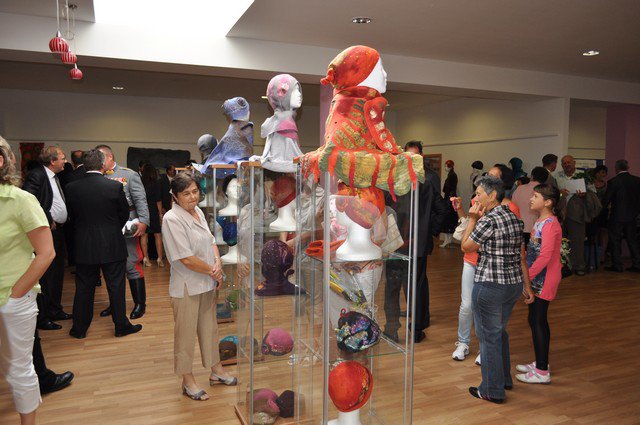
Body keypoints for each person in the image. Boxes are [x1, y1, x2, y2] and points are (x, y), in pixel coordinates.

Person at [162, 172, 237, 401]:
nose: (192, 197)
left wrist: (217, 263)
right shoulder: (172, 219)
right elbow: (186, 258)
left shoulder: (198, 213)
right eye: (186, 193)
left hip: (206, 282)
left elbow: (211, 241)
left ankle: (216, 370)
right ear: (175, 196)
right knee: (185, 335)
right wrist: (213, 271)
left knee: (209, 329)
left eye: (195, 191)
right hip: (186, 286)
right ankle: (188, 381)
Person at [460, 175, 533, 404]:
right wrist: (526, 285)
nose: (475, 198)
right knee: (499, 332)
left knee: (488, 337)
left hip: (490, 285)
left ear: (492, 196)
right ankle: (503, 380)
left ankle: (492, 389)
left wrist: (472, 219)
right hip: (512, 285)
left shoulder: (488, 220)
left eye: (478, 194)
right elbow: (520, 255)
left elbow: (465, 246)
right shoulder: (514, 218)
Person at [0, 136, 56, 425]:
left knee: (18, 370)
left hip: (12, 300)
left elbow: (46, 253)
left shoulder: (20, 200)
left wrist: (16, 294)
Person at [65, 149, 143, 339]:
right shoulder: (114, 187)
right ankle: (121, 326)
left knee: (84, 287)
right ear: (102, 165)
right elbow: (123, 214)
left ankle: (79, 329)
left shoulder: (71, 187)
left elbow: (71, 217)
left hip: (84, 244)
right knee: (116, 286)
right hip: (111, 243)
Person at [450, 168, 522, 363]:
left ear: (496, 189)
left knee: (490, 313)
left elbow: (515, 246)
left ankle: (487, 348)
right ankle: (463, 342)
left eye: (493, 176)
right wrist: (461, 211)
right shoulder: (481, 201)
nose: (476, 195)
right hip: (473, 261)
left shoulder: (508, 209)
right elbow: (467, 226)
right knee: (467, 305)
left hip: (493, 270)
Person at [384, 141, 446, 344]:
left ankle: (413, 329)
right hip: (396, 243)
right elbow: (385, 208)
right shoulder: (395, 179)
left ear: (421, 156)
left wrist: (428, 232)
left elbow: (441, 210)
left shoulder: (426, 179)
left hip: (413, 244)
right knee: (395, 286)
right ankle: (393, 328)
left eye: (415, 156)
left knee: (412, 287)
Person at [96, 145, 150, 319]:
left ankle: (140, 304)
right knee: (111, 267)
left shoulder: (129, 175)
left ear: (110, 157)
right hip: (106, 227)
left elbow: (140, 199)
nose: (98, 162)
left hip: (128, 225)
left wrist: (143, 221)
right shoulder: (97, 176)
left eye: (100, 158)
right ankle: (115, 305)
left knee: (131, 263)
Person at [22, 145, 72, 330]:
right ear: (52, 161)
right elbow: (29, 200)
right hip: (45, 232)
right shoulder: (37, 175)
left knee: (57, 273)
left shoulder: (55, 176)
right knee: (46, 276)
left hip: (58, 232)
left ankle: (55, 309)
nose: (65, 161)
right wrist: (47, 218)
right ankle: (43, 317)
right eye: (62, 158)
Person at [517, 183, 563, 385]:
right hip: (536, 277)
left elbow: (545, 256)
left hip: (544, 279)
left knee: (538, 321)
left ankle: (542, 371)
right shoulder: (540, 221)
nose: (531, 199)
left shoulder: (551, 224)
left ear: (548, 202)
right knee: (535, 319)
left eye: (535, 196)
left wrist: (527, 276)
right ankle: (540, 362)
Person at [556, 155, 597, 276]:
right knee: (560, 241)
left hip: (577, 213)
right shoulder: (556, 176)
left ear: (574, 163)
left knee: (577, 241)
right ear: (561, 165)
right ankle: (563, 266)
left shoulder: (583, 175)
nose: (567, 164)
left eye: (569, 162)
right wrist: (559, 193)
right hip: (561, 213)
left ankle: (579, 266)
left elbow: (593, 192)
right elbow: (552, 193)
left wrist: (584, 194)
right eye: (564, 163)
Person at [602, 160, 640, 272]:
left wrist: (602, 209)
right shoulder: (637, 180)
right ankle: (637, 264)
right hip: (632, 216)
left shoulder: (613, 181)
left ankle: (617, 265)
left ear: (616, 168)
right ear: (627, 167)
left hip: (617, 216)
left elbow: (607, 200)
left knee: (615, 240)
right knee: (632, 240)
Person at [512, 167, 549, 246]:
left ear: (531, 176)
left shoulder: (519, 188)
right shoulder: (544, 192)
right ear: (545, 180)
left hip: (518, 227)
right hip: (536, 229)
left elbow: (512, 207)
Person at [140, 163, 165, 267]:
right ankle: (160, 258)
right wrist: (160, 214)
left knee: (144, 235)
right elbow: (158, 200)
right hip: (153, 210)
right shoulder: (156, 183)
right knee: (158, 235)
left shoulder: (140, 183)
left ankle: (146, 258)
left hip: (143, 210)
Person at [440, 159, 458, 248]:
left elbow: (451, 189)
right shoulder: (451, 175)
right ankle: (448, 240)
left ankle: (448, 240)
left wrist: (448, 201)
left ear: (450, 167)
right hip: (450, 199)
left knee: (448, 219)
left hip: (449, 200)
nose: (445, 168)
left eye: (446, 166)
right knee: (449, 219)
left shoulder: (452, 175)